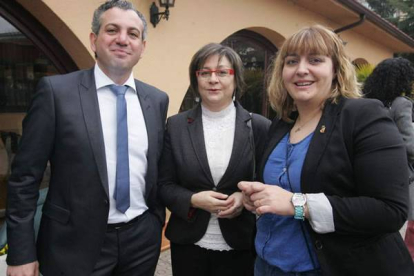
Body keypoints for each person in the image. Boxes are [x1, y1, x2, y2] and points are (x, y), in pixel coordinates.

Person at [6, 1, 169, 275]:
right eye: (112, 30)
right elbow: (24, 178)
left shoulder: (156, 99)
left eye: (132, 34)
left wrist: (154, 224)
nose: (122, 39)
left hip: (141, 240)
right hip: (73, 244)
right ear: (94, 40)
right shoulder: (56, 93)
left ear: (142, 47)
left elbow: (154, 169)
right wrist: (21, 253)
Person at [238, 25, 414, 275]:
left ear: (336, 70)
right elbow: (280, 186)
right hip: (267, 265)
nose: (301, 69)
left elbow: (389, 210)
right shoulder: (282, 122)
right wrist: (255, 197)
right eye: (291, 61)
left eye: (315, 60)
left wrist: (296, 203)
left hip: (332, 267)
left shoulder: (363, 116)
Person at [158, 43, 270, 276]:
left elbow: (267, 181)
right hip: (188, 245)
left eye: (222, 72)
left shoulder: (258, 126)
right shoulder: (176, 126)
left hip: (241, 244)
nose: (213, 79)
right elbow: (164, 185)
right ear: (196, 79)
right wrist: (193, 199)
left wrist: (244, 197)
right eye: (204, 72)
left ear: (236, 78)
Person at [364, 57, 414, 261]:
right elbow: (409, 145)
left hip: (369, 170)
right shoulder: (401, 104)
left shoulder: (366, 102)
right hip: (399, 175)